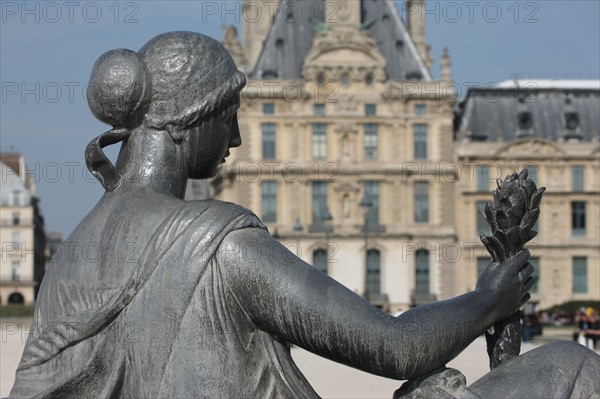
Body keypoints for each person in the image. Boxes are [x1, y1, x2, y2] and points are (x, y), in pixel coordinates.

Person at [10, 32, 599, 398]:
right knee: (570, 364)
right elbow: (396, 348)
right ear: (191, 119)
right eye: (228, 114)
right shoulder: (218, 241)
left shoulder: (72, 255)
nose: (237, 136)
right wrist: (490, 299)